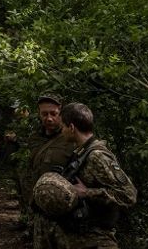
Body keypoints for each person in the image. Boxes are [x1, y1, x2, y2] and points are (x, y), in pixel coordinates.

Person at [40, 102, 137, 249]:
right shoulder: (81, 152)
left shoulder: (97, 156)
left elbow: (129, 196)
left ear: (71, 128)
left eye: (64, 127)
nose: (62, 131)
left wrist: (86, 193)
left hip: (97, 239)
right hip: (81, 237)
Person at [23, 94, 78, 248]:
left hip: (65, 216)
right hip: (39, 213)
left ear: (61, 113)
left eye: (54, 114)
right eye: (44, 114)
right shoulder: (34, 138)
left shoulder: (71, 138)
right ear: (39, 114)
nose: (49, 118)